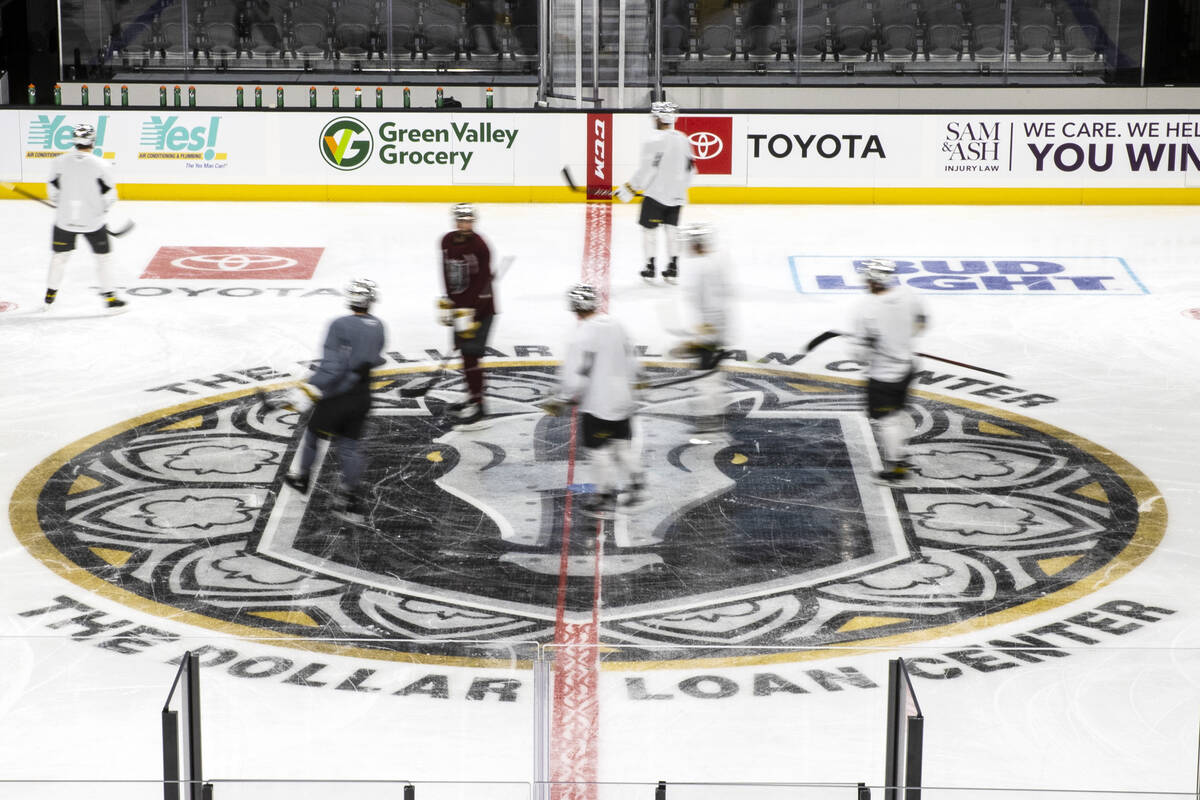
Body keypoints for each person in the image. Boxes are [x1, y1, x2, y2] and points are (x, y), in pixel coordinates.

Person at [283, 278, 387, 522]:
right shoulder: (380, 325)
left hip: (336, 397)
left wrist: (310, 387)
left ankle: (302, 479)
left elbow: (332, 366)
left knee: (312, 437)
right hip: (362, 397)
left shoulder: (339, 325)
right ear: (371, 300)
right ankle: (350, 499)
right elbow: (376, 357)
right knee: (349, 448)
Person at [539, 284, 645, 516]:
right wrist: (637, 381)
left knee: (599, 452)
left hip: (598, 405)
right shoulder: (617, 325)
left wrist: (563, 398)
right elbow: (632, 358)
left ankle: (604, 497)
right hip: (623, 400)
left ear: (574, 308)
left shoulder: (581, 336)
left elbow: (577, 375)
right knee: (621, 446)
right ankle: (637, 482)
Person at [850, 259, 928, 482]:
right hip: (908, 367)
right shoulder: (910, 296)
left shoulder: (866, 311)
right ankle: (899, 454)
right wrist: (900, 339)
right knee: (896, 414)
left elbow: (859, 357)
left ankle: (895, 467)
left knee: (887, 420)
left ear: (873, 280)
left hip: (884, 376)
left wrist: (869, 345)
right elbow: (921, 324)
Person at [43, 123, 127, 312]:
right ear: (93, 141)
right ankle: (110, 298)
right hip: (93, 223)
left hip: (64, 221)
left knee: (59, 258)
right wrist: (100, 212)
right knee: (103, 259)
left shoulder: (59, 162)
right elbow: (110, 195)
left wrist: (61, 204)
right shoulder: (101, 164)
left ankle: (50, 295)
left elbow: (52, 189)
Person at [615, 100, 693, 284]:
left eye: (654, 117)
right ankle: (673, 267)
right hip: (677, 196)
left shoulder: (653, 141)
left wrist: (629, 190)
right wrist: (680, 188)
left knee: (649, 231)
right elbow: (691, 169)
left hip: (655, 196)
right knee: (672, 230)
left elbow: (646, 170)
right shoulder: (684, 139)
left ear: (659, 118)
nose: (653, 120)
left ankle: (650, 267)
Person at [438, 202, 497, 427]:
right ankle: (472, 397)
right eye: (462, 220)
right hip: (460, 308)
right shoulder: (446, 241)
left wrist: (474, 314)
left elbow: (484, 285)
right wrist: (449, 301)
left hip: (480, 310)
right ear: (456, 221)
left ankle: (479, 405)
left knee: (471, 355)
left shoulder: (481, 246)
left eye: (469, 220)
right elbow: (445, 271)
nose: (465, 224)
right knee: (464, 355)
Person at [674, 222, 731, 433]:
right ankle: (717, 411)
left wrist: (700, 339)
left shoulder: (701, 268)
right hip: (716, 330)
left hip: (711, 333)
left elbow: (710, 306)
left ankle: (710, 418)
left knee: (706, 378)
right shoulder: (713, 262)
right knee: (712, 376)